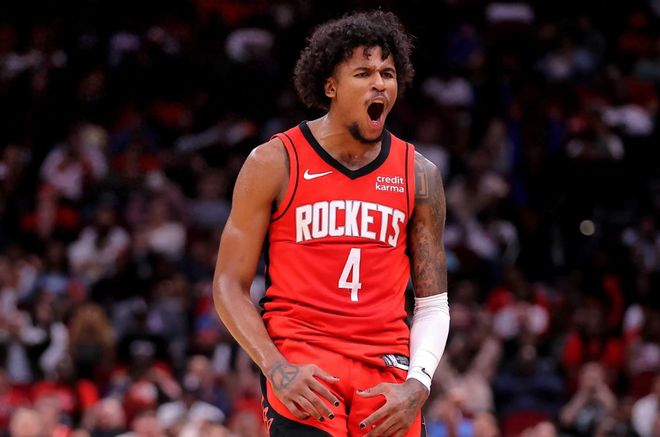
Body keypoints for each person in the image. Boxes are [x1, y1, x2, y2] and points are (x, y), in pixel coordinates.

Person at [213, 10, 450, 437]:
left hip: (388, 374)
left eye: (388, 73)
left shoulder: (419, 175)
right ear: (331, 86)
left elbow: (433, 303)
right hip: (305, 365)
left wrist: (419, 383)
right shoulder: (275, 162)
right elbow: (229, 284)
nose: (380, 83)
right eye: (363, 73)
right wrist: (276, 368)